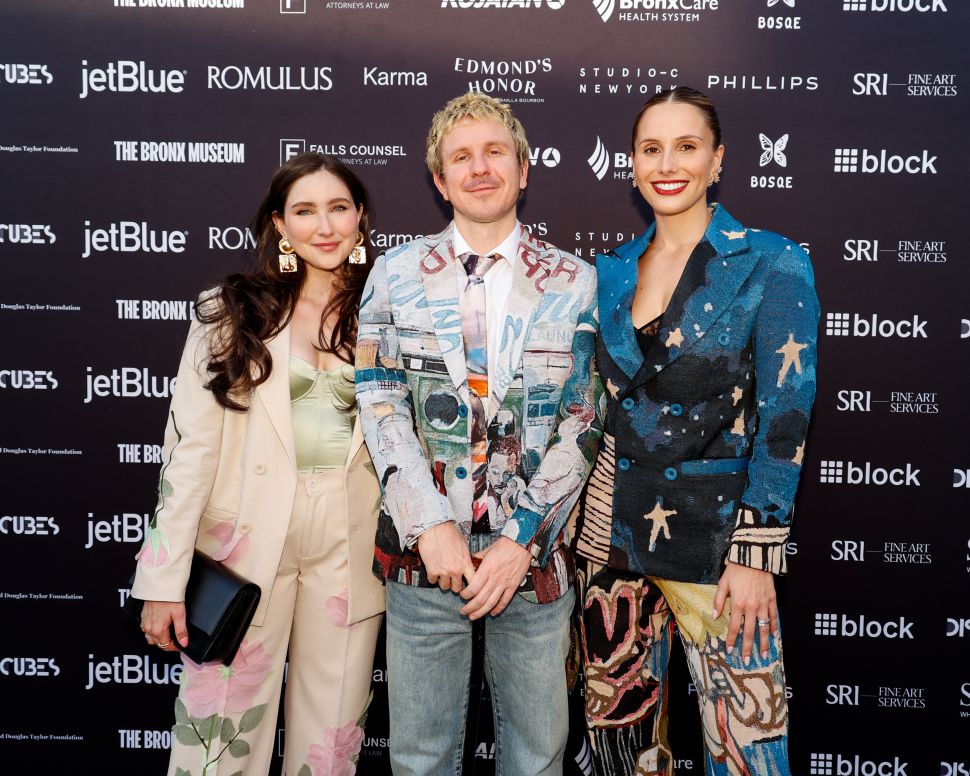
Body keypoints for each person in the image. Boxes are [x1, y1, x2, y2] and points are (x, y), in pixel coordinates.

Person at [573, 87, 819, 775]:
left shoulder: (773, 262)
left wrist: (756, 552)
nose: (667, 163)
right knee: (622, 753)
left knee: (749, 754)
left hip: (720, 552)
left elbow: (786, 416)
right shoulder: (610, 271)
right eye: (651, 148)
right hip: (611, 549)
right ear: (630, 164)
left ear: (718, 161)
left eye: (687, 146)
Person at [355, 91, 600, 775]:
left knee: (536, 756)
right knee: (420, 757)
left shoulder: (577, 282)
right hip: (422, 553)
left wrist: (523, 540)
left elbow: (584, 418)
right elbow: (379, 405)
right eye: (461, 157)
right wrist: (427, 524)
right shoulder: (394, 275)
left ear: (524, 168)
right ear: (440, 180)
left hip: (532, 558)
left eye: (495, 152)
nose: (480, 167)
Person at [130, 152, 385, 775]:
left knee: (331, 747)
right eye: (304, 211)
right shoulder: (229, 312)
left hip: (349, 550)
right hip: (242, 546)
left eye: (338, 209)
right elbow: (188, 450)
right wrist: (163, 581)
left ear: (360, 220)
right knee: (219, 739)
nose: (323, 226)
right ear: (280, 224)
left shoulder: (390, 312)